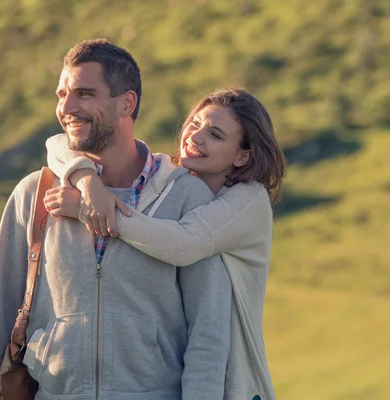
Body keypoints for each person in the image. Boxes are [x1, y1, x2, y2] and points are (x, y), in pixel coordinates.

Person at [0, 39, 232, 400]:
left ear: (126, 103)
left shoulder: (186, 199)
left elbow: (208, 335)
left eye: (84, 94)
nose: (67, 108)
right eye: (62, 94)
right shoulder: (33, 195)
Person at [43, 87, 286, 399]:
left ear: (242, 155)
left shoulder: (248, 200)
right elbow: (59, 144)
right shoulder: (173, 183)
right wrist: (88, 181)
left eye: (214, 134)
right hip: (185, 375)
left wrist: (87, 209)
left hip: (235, 384)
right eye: (195, 124)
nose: (195, 138)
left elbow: (181, 245)